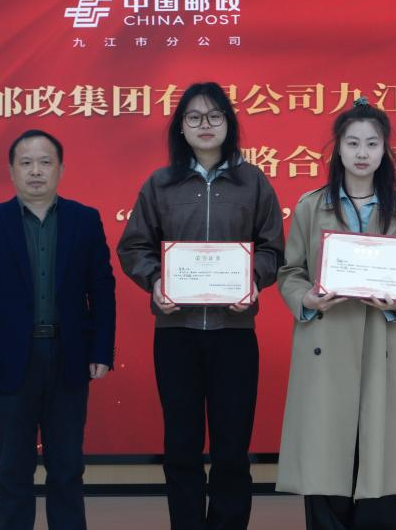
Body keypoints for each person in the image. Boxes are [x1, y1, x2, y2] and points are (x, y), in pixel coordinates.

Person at [117, 82, 285, 530]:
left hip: (234, 334)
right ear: (181, 127)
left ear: (228, 123)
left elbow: (273, 248)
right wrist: (155, 281)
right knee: (182, 447)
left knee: (232, 449)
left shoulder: (253, 182)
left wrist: (253, 279)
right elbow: (134, 247)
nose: (204, 125)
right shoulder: (161, 184)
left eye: (214, 116)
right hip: (177, 335)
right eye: (194, 117)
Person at [276, 97, 396, 530]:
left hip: (380, 347)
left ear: (384, 151)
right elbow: (290, 272)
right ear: (338, 149)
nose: (362, 153)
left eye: (372, 144)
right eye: (353, 143)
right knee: (327, 465)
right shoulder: (310, 206)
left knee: (379, 461)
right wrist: (306, 299)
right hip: (326, 346)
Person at [0, 130, 116, 530]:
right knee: (13, 469)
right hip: (10, 361)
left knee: (67, 467)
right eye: (25, 163)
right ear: (11, 171)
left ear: (60, 169)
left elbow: (101, 289)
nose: (35, 171)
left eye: (45, 162)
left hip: (69, 356)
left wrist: (101, 350)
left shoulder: (85, 220)